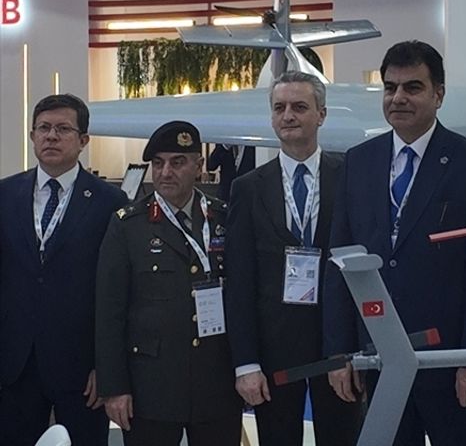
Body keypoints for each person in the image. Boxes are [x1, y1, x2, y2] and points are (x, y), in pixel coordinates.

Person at [323, 40, 466, 446]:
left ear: (439, 94)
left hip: (450, 363)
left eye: (413, 87)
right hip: (379, 358)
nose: (399, 98)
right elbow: (339, 264)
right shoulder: (358, 161)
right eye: (390, 87)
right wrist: (340, 353)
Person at [224, 72, 364, 446]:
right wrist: (246, 363)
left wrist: (357, 350)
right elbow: (239, 283)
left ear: (321, 114)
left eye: (299, 107)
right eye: (279, 108)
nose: (288, 116)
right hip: (274, 353)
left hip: (337, 349)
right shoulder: (248, 188)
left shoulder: (351, 177)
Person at [95, 121, 241, 445]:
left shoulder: (224, 218)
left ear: (199, 166)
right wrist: (114, 387)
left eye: (177, 162)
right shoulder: (128, 225)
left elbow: (243, 296)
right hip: (151, 388)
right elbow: (109, 313)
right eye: (158, 163)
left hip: (215, 384)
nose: (165, 172)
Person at [0, 94, 128, 446]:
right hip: (16, 364)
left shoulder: (110, 202)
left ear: (83, 140)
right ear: (32, 136)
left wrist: (107, 367)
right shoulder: (5, 194)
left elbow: (116, 292)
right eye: (43, 128)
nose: (51, 136)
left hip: (82, 368)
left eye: (62, 129)